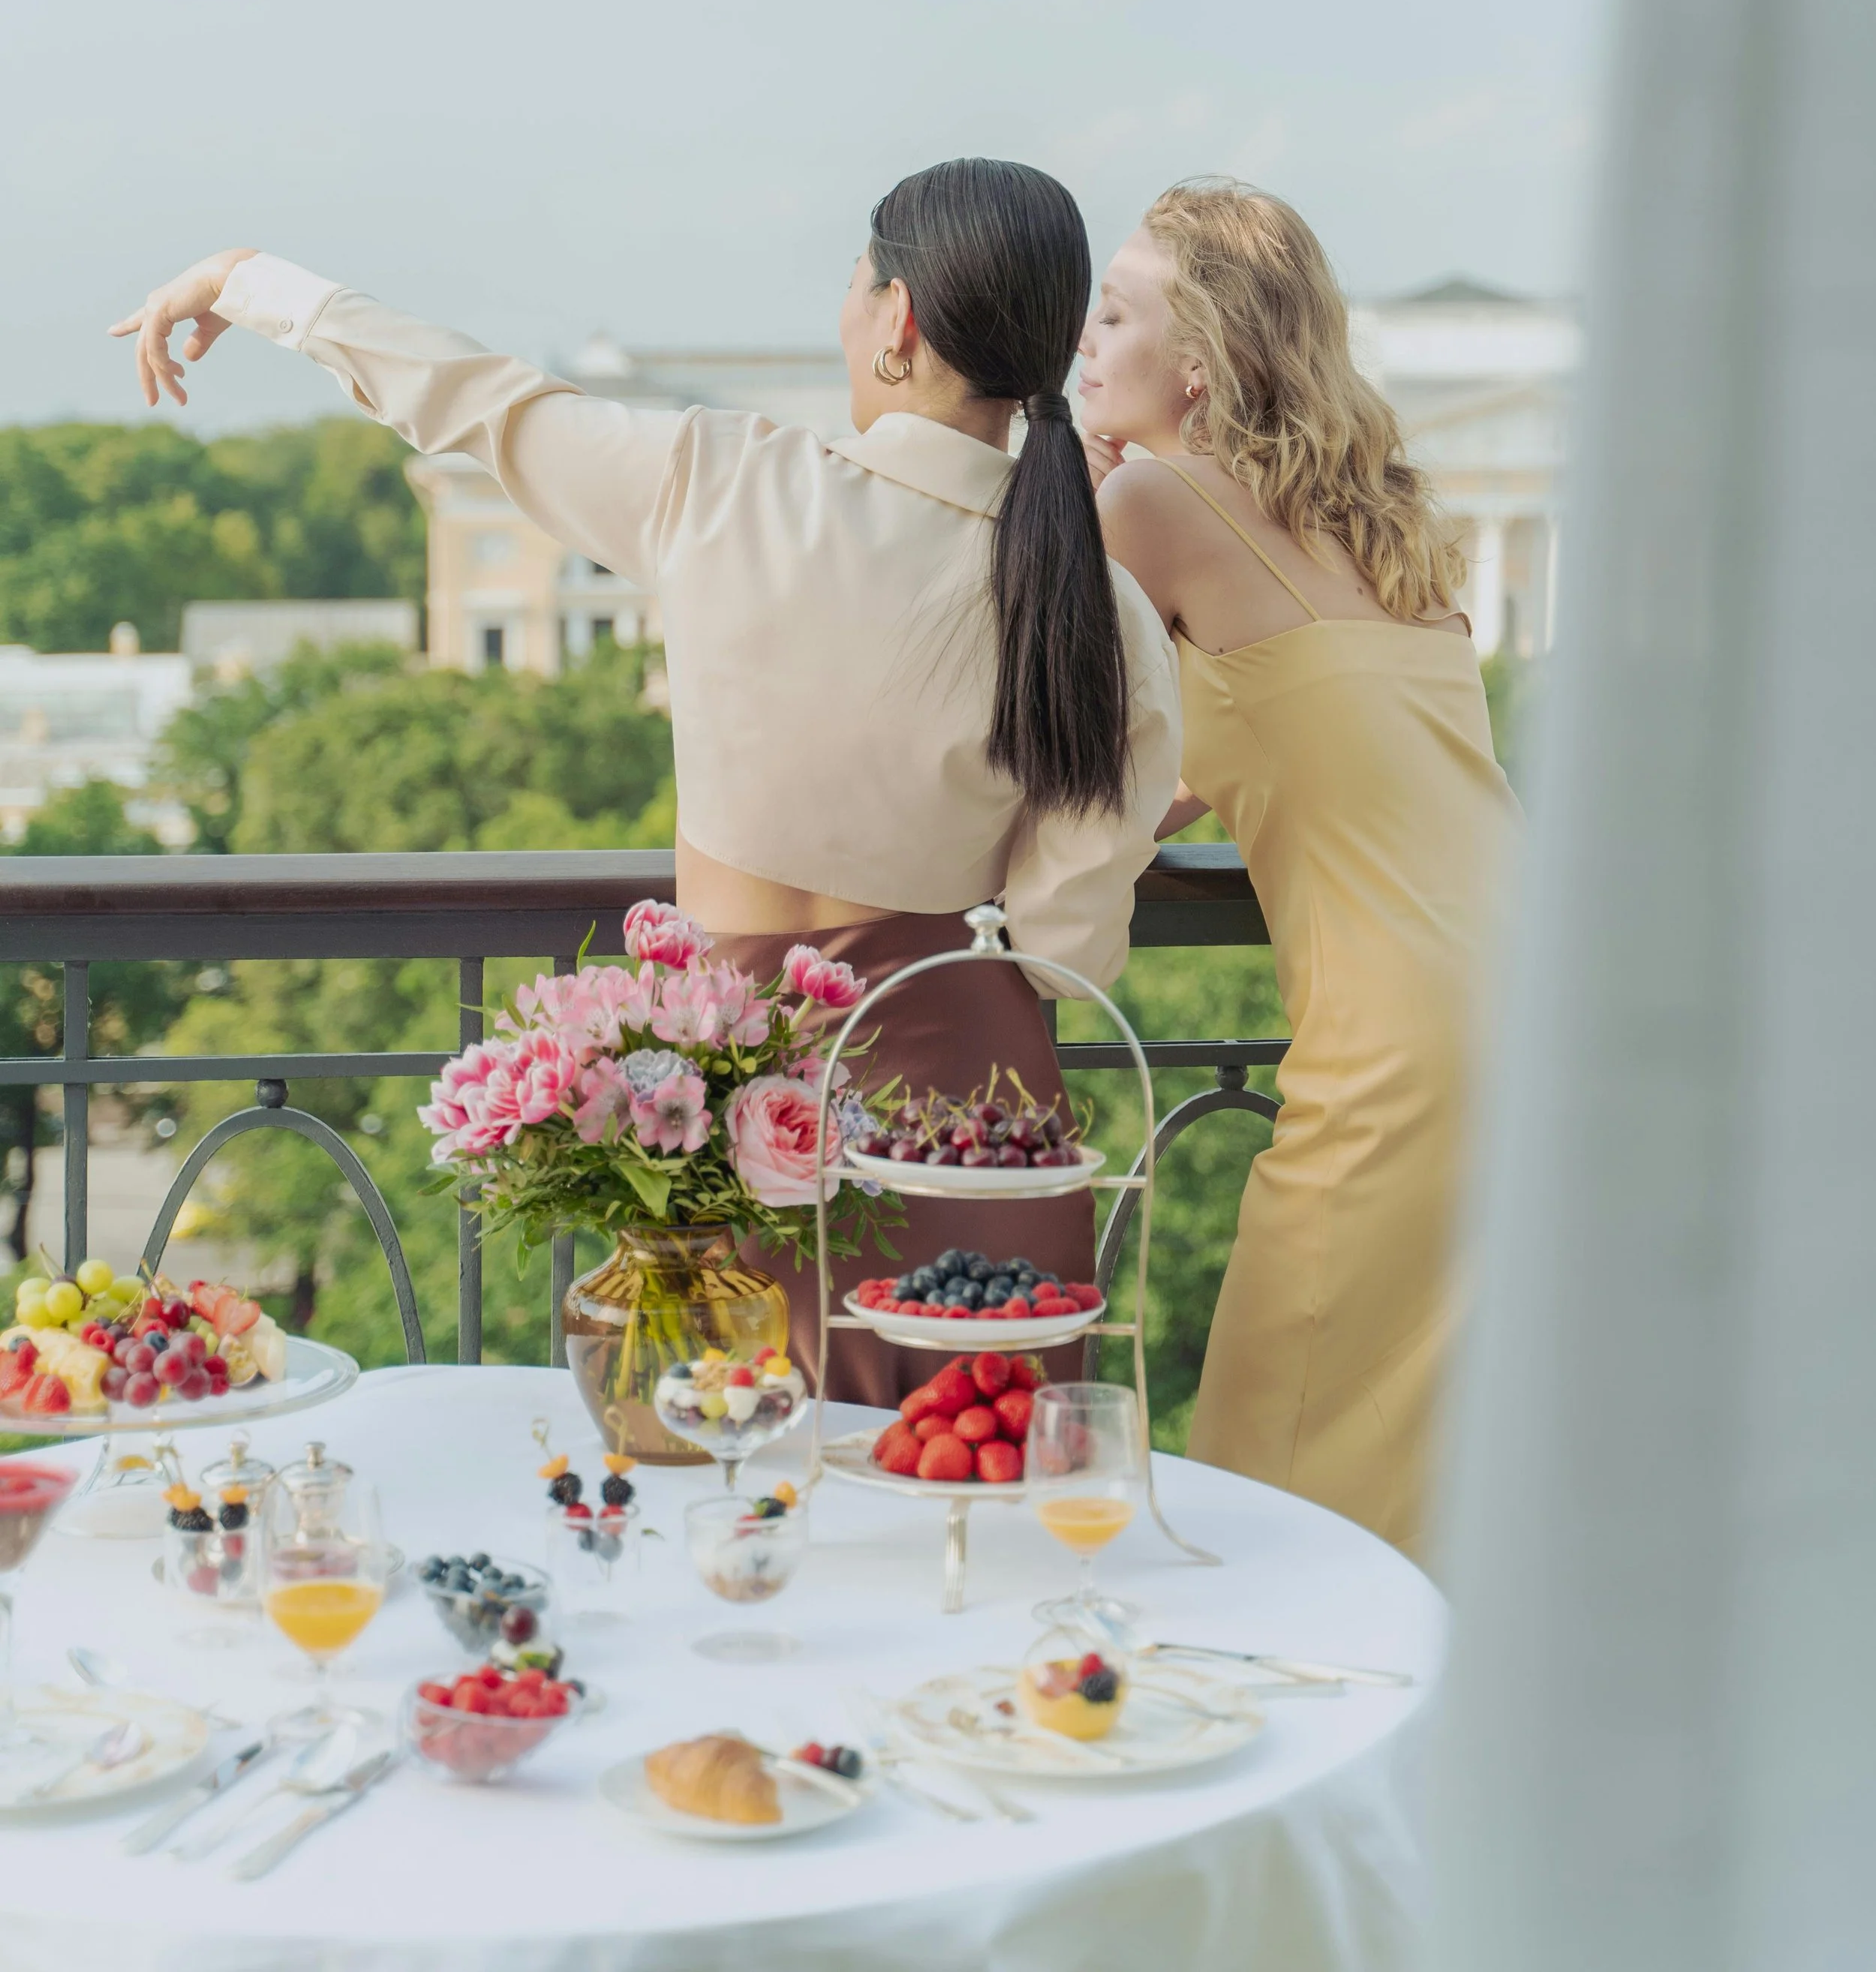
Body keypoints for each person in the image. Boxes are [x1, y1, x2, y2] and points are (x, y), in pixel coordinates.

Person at [113, 161, 1180, 1402]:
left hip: (726, 1118)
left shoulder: (724, 484)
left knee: (728, 1500)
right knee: (963, 1522)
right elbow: (1064, 950)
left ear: (896, 320)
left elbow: (483, 404)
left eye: (854, 282)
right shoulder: (1094, 605)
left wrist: (248, 281)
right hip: (971, 1142)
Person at [1078, 178, 1516, 1565]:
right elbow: (1303, 738)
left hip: (1400, 1046)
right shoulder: (1388, 520)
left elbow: (1064, 774)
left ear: (1196, 359)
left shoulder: (1149, 500)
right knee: (1436, 1466)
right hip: (1531, 997)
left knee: (1278, 1470)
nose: (1084, 343)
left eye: (1114, 311)